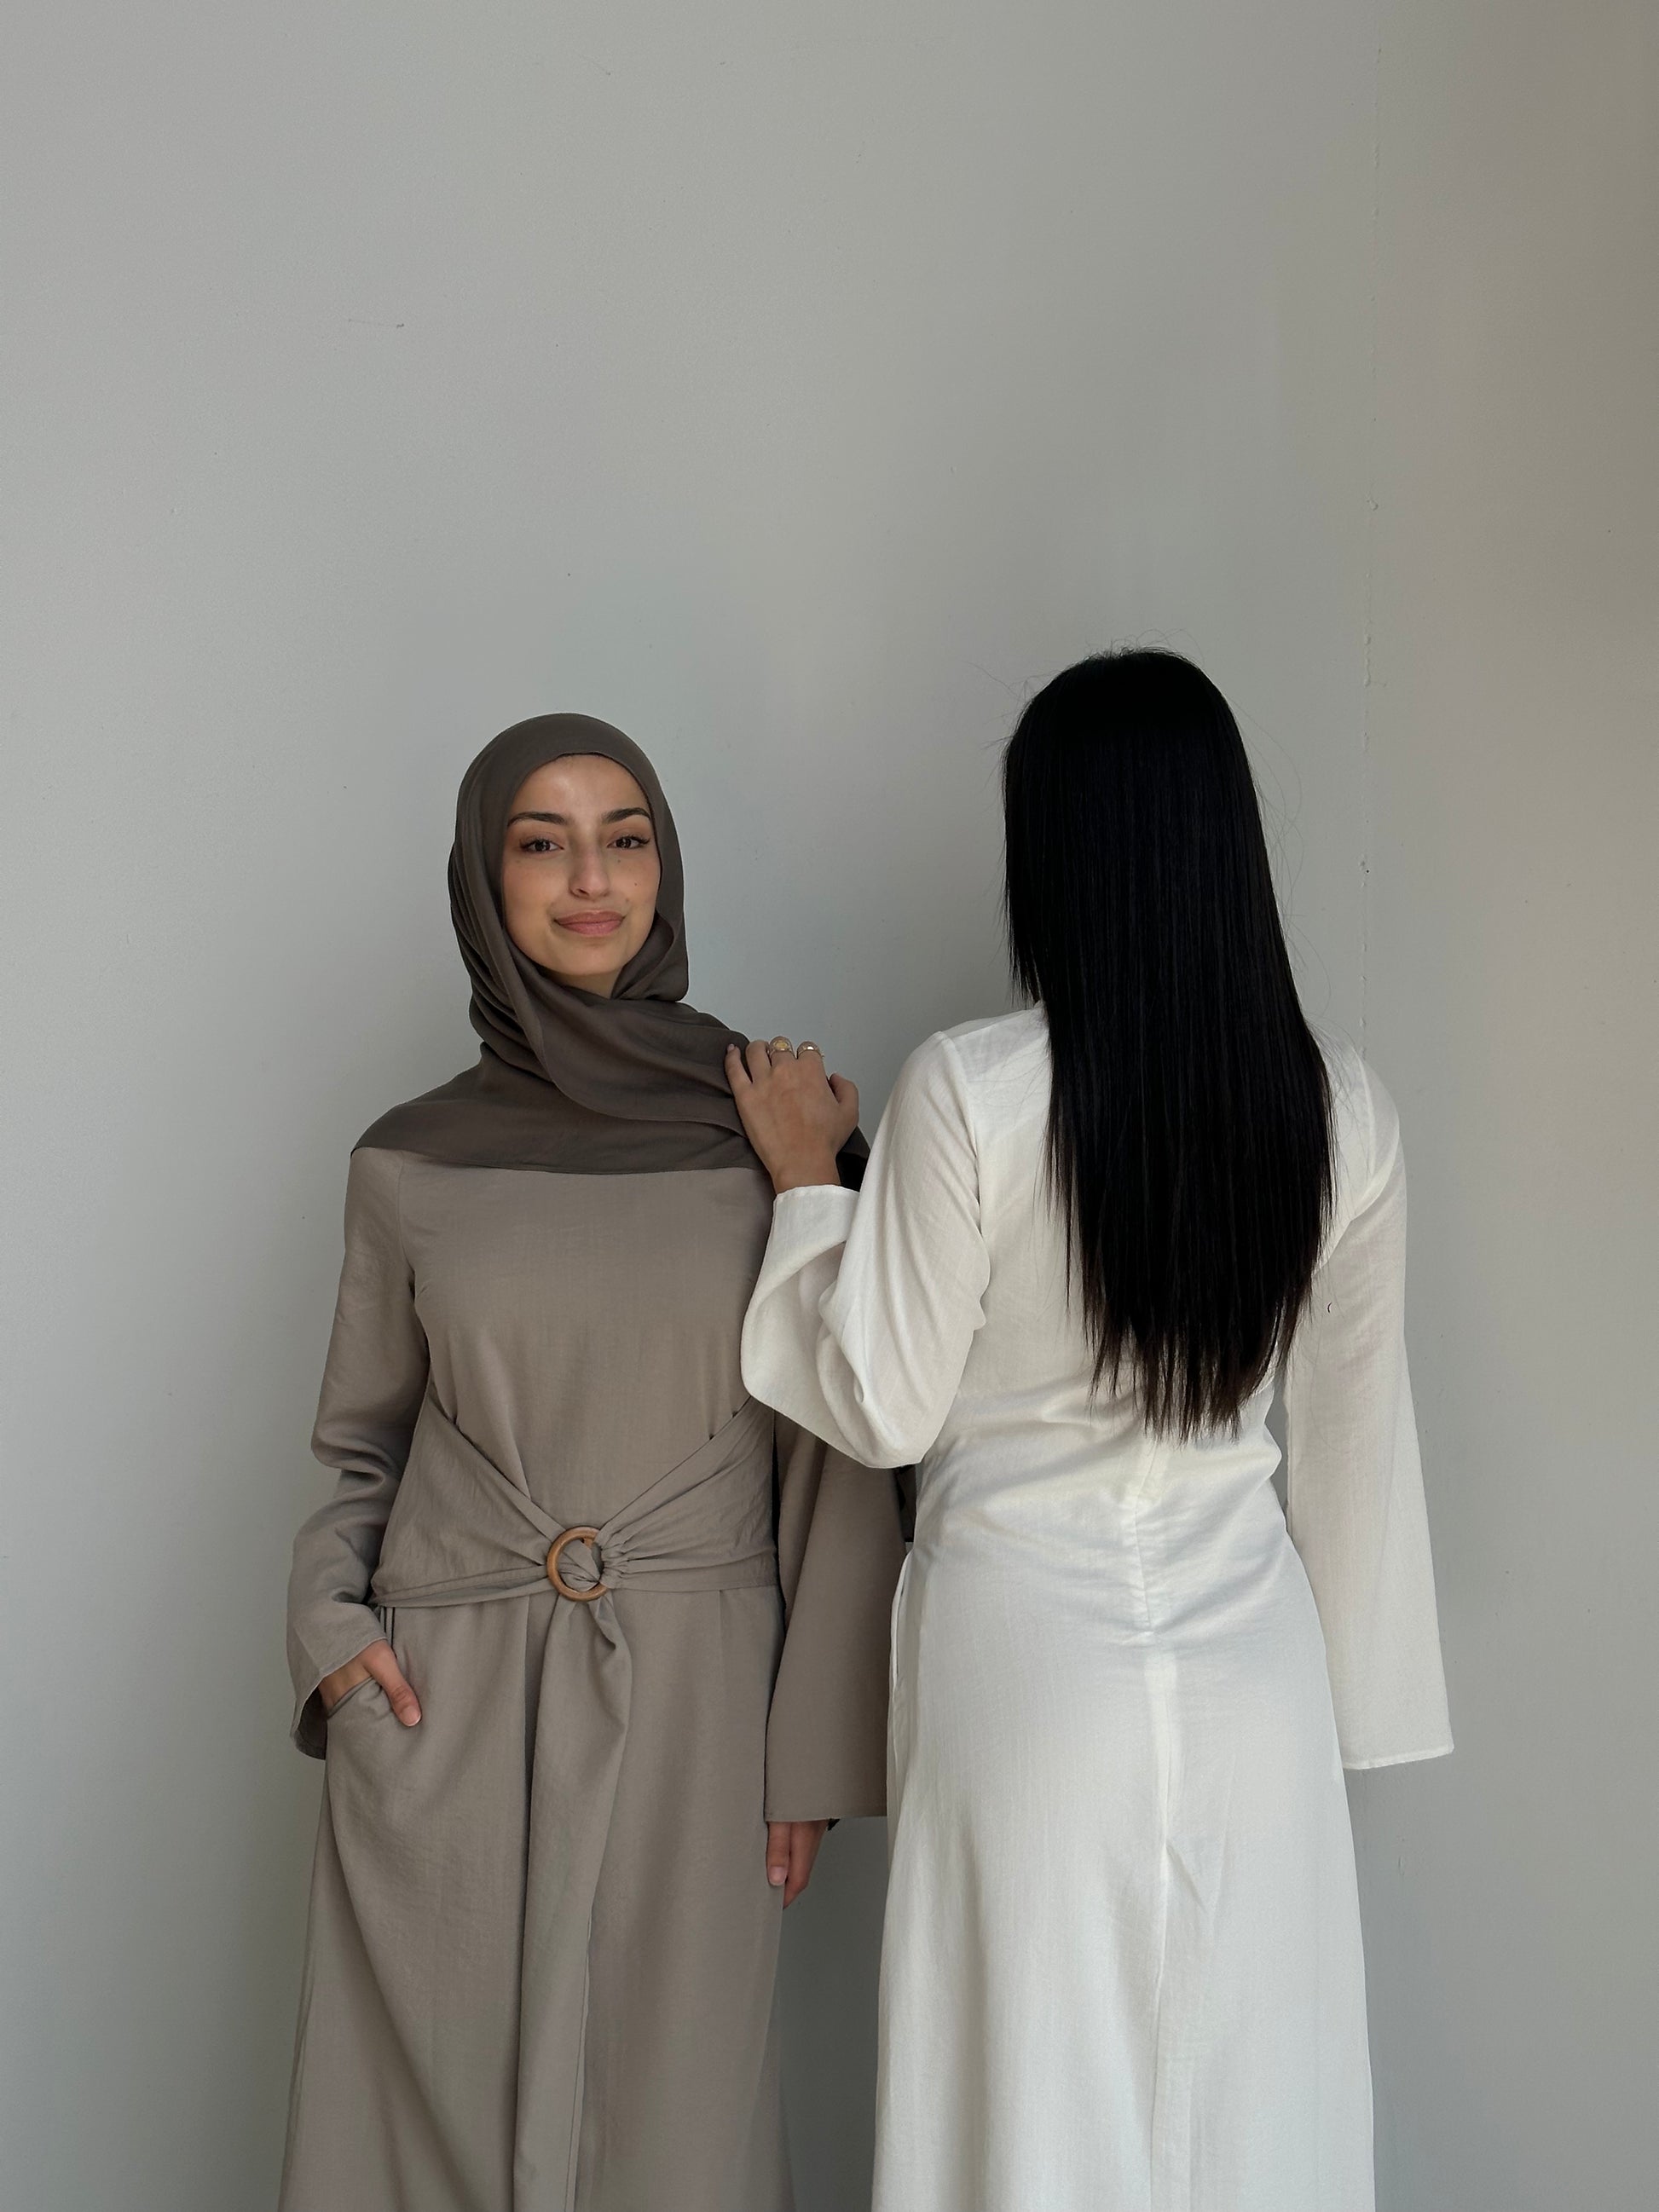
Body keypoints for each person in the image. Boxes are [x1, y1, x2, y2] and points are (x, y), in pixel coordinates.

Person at [729, 650, 1453, 2212]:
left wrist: (804, 1189)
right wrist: (1357, 1710)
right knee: (1253, 2105)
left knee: (1024, 2106)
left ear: (1050, 850)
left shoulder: (970, 1090)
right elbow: (1351, 1445)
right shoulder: (1342, 1110)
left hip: (1023, 1669)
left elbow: (879, 1400)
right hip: (1254, 1680)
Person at [281, 714, 905, 2212]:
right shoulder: (407, 1159)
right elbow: (361, 1444)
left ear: (663, 866)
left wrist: (811, 1753)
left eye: (624, 839)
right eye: (540, 843)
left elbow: (837, 1440)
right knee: (430, 2131)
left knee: (672, 2137)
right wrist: (331, 1637)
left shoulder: (772, 1123)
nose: (590, 880)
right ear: (480, 877)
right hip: (446, 1697)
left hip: (697, 1695)